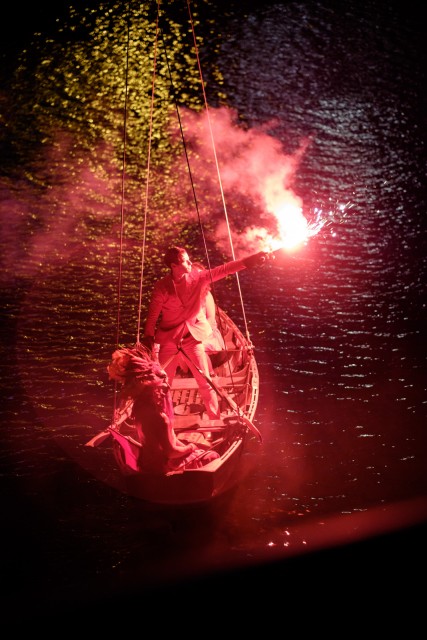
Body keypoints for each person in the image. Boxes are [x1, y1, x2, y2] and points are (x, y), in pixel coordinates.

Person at [142, 246, 271, 420]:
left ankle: (214, 417)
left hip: (192, 339)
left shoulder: (198, 278)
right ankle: (163, 420)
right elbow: (153, 314)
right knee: (163, 383)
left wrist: (249, 261)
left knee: (205, 381)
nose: (190, 263)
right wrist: (148, 336)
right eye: (185, 261)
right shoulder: (162, 287)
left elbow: (224, 270)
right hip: (170, 340)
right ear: (174, 266)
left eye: (188, 259)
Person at [107, 345, 218, 473]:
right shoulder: (160, 418)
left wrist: (189, 448)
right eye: (160, 389)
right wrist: (191, 447)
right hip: (164, 465)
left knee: (197, 451)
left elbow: (171, 439)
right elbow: (171, 453)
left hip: (146, 463)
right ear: (152, 391)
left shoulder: (139, 411)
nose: (166, 390)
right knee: (213, 456)